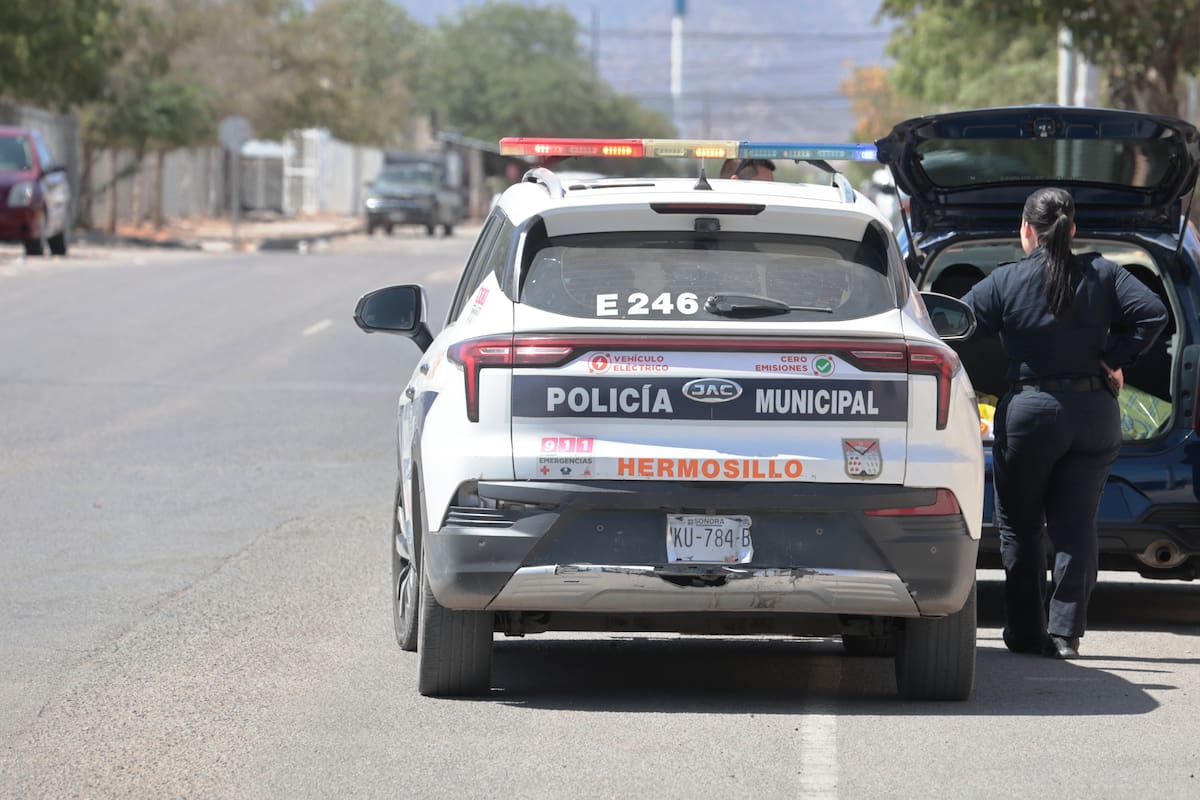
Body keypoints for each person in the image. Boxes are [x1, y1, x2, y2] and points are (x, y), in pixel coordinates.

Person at [960, 187, 1168, 660]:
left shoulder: (1005, 280)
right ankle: (1066, 634)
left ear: (1026, 230)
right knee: (1076, 525)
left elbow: (954, 324)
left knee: (1020, 527)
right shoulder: (1104, 273)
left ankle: (1026, 633)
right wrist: (1113, 358)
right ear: (1072, 230)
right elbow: (1153, 313)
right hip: (1094, 414)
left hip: (1030, 415)